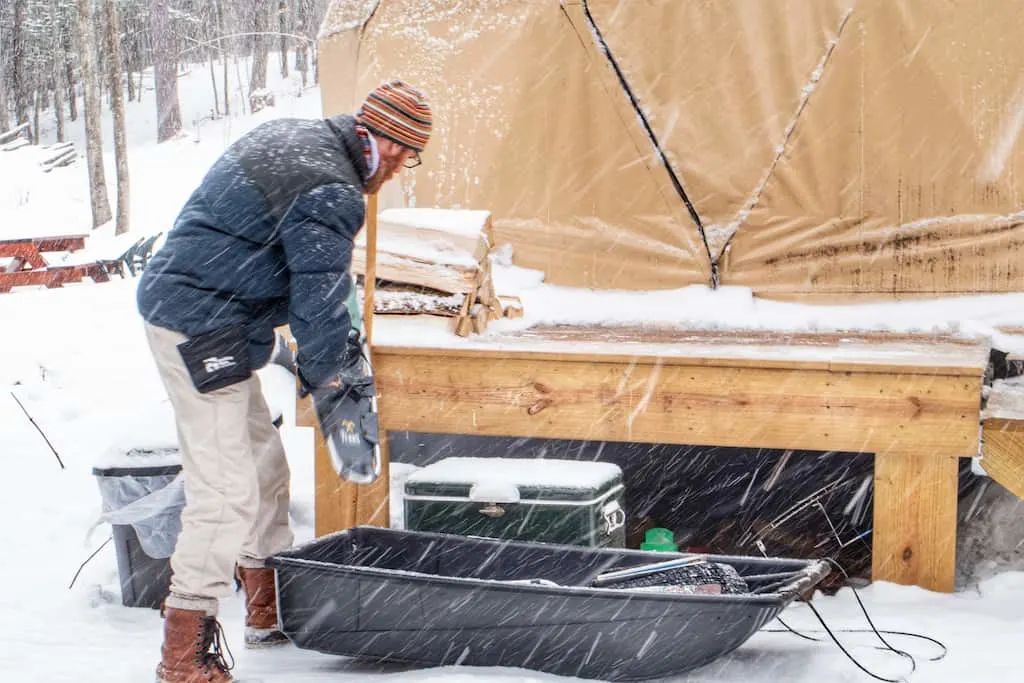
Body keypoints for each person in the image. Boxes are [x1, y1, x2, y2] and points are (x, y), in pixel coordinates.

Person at [136, 80, 432, 683]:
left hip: (218, 310)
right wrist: (340, 397)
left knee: (264, 466)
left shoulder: (299, 137)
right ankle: (183, 654)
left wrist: (308, 356)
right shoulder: (332, 189)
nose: (401, 165)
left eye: (413, 153)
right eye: (399, 149)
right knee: (225, 491)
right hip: (197, 323)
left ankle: (265, 606)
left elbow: (306, 274)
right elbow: (319, 307)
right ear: (369, 132)